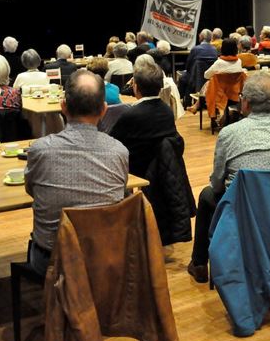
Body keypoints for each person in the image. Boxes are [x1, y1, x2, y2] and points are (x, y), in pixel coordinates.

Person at [187, 73, 270, 282]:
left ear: (246, 103)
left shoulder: (230, 133)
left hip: (245, 214)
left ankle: (199, 263)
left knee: (207, 196)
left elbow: (217, 184)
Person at [24, 70, 129, 276]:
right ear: (104, 110)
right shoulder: (119, 152)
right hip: (106, 256)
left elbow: (32, 190)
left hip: (52, 259)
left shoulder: (40, 150)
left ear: (63, 107)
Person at [110, 62, 176, 176]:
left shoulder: (130, 114)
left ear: (135, 87)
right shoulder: (168, 111)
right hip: (163, 170)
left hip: (134, 169)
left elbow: (112, 142)